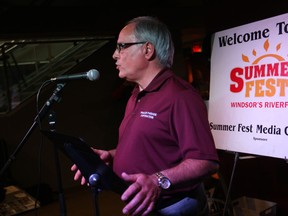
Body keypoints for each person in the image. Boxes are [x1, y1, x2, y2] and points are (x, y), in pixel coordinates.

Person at [71, 16, 219, 216]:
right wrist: (111, 156)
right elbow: (151, 146)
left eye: (122, 46)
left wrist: (157, 180)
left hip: (174, 208)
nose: (115, 55)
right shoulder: (136, 94)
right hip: (145, 207)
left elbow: (206, 161)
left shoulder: (180, 97)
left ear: (147, 50)